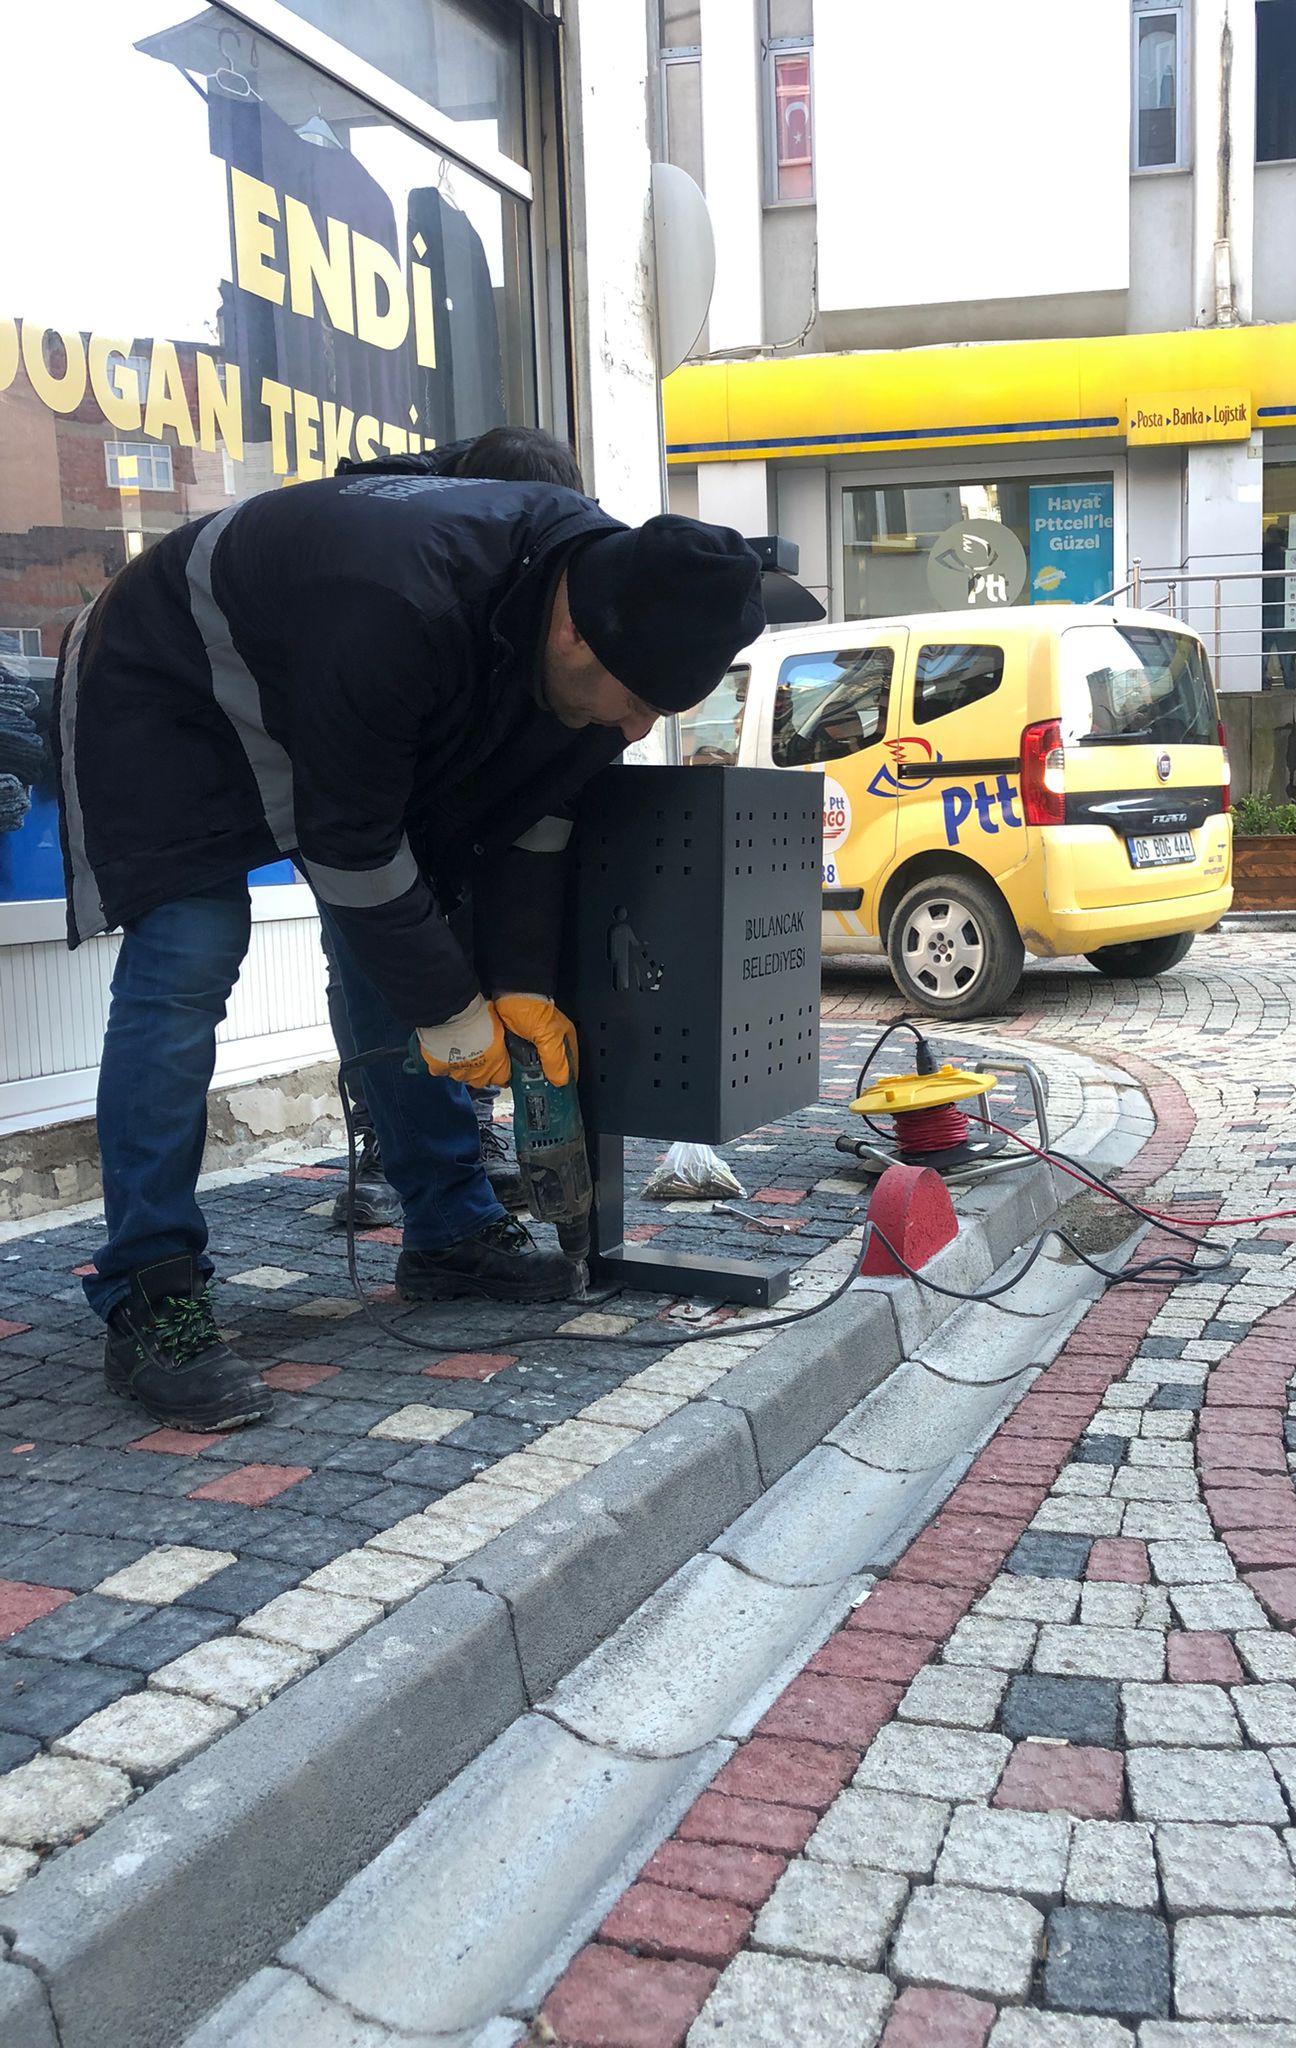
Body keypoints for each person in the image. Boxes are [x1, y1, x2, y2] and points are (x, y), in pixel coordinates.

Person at [54, 475, 764, 1431]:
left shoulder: (604, 609)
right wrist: (444, 1004)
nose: (638, 729)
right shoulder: (396, 604)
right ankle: (151, 1286)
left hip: (343, 690)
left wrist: (512, 984)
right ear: (572, 638)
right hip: (179, 675)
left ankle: (450, 1227)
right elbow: (351, 845)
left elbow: (533, 822)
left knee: (402, 924)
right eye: (635, 700)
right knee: (192, 949)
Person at [325, 426, 589, 1230]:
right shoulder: (413, 572)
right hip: (361, 789)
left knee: (461, 962)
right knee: (373, 959)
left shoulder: (547, 578)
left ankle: (460, 1135)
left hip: (455, 790)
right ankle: (400, 1147)